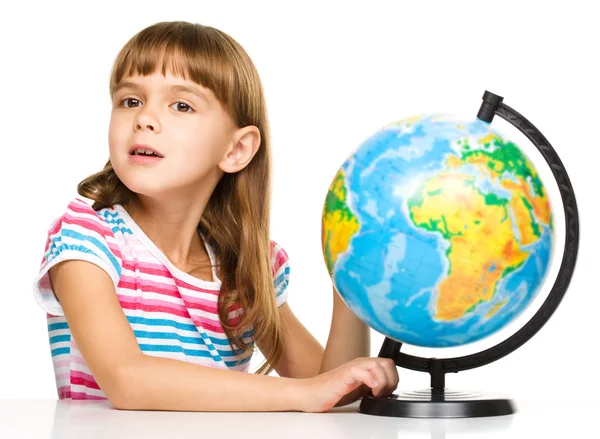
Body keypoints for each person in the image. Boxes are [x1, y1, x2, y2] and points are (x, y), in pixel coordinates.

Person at [32, 20, 399, 413]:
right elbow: (128, 381)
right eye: (131, 101)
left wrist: (349, 276)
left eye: (181, 105)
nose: (144, 119)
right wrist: (302, 393)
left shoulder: (244, 268)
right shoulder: (85, 238)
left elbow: (329, 388)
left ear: (237, 149)